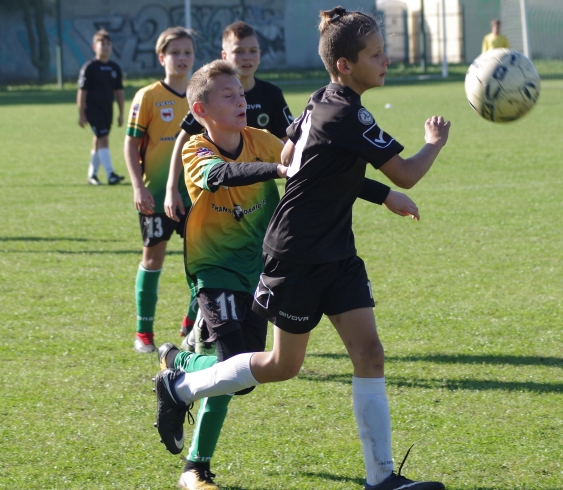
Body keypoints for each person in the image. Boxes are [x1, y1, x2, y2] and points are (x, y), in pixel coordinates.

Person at [154, 7, 450, 490]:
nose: (386, 61)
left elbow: (296, 154)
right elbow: (407, 170)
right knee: (280, 366)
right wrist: (433, 142)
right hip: (295, 255)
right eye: (376, 54)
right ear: (345, 65)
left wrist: (378, 195)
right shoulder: (344, 111)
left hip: (336, 251)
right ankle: (181, 385)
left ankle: (382, 477)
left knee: (369, 353)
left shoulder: (322, 101)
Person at [165, 20, 295, 338]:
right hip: (214, 264)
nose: (241, 101)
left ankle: (190, 354)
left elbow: (307, 166)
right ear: (201, 109)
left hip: (257, 263)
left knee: (245, 374)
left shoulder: (262, 140)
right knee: (232, 351)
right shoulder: (197, 148)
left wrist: (383, 194)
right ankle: (180, 359)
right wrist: (275, 170)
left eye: (241, 95)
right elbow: (222, 173)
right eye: (229, 96)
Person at [123, 27, 196, 354]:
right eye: (175, 53)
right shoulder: (148, 96)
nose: (182, 59)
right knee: (153, 258)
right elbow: (130, 144)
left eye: (188, 53)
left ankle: (193, 321)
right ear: (161, 57)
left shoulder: (200, 93)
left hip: (195, 195)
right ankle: (144, 333)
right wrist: (138, 186)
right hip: (155, 194)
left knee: (203, 261)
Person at [78, 29, 125, 186]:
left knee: (98, 140)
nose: (105, 47)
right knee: (103, 138)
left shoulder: (115, 68)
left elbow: (119, 92)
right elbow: (82, 92)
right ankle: (111, 174)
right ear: (94, 47)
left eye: (108, 44)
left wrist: (121, 113)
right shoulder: (89, 68)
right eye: (101, 44)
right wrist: (81, 113)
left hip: (107, 110)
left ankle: (92, 175)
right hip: (93, 110)